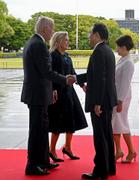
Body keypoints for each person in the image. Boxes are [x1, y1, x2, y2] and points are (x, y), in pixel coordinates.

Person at [21, 16, 75, 176]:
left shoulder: (33, 42)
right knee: (37, 131)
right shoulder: (38, 45)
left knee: (42, 129)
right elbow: (47, 72)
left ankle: (43, 161)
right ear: (45, 28)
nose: (52, 32)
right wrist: (65, 79)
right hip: (37, 95)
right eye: (51, 29)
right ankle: (32, 165)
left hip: (38, 94)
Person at [77, 23, 117, 180]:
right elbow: (95, 75)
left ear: (97, 34)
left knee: (100, 137)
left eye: (90, 33)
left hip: (100, 102)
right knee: (107, 134)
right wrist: (77, 79)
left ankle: (100, 171)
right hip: (108, 99)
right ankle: (109, 168)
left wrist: (97, 103)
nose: (88, 36)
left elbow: (101, 79)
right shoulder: (108, 51)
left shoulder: (98, 52)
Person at [48, 31, 88, 162]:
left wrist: (82, 85)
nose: (68, 42)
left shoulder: (67, 57)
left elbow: (73, 74)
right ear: (58, 41)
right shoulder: (52, 56)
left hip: (69, 93)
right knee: (57, 124)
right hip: (58, 94)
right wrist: (53, 89)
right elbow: (50, 75)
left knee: (71, 122)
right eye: (66, 39)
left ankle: (68, 147)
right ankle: (52, 150)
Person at [111, 35, 137, 163]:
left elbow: (125, 83)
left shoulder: (128, 63)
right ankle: (120, 151)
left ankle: (130, 151)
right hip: (118, 96)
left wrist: (120, 101)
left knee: (120, 124)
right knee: (117, 124)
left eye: (118, 47)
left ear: (124, 47)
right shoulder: (123, 60)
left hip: (122, 97)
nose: (116, 49)